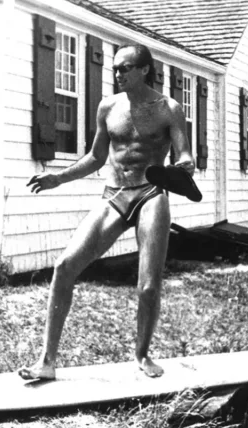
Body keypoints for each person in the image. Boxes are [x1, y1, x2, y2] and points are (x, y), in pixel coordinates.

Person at [19, 43, 195, 380]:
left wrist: (184, 165)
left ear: (144, 69)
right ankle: (47, 362)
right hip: (113, 195)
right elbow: (97, 157)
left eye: (125, 68)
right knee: (64, 266)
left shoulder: (168, 108)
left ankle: (142, 356)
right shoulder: (107, 107)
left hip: (151, 193)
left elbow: (183, 153)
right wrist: (59, 178)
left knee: (147, 285)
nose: (118, 74)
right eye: (115, 68)